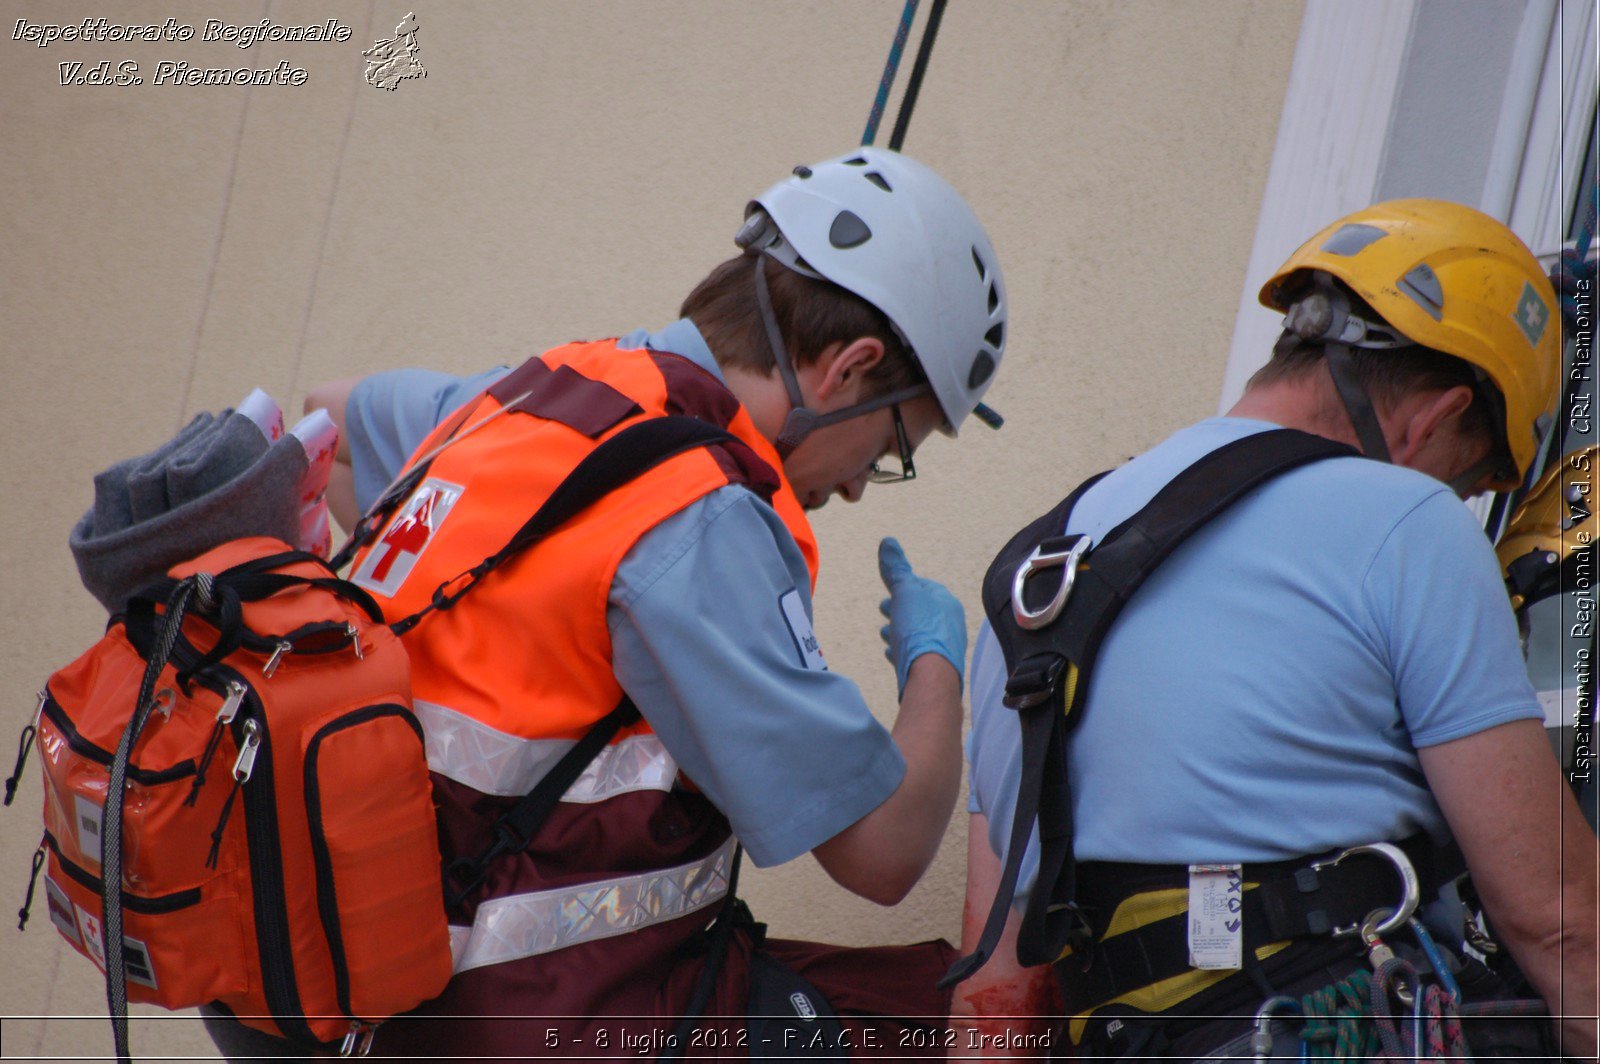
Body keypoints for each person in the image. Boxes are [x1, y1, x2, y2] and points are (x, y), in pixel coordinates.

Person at [209, 146, 1007, 1060]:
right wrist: (939, 666)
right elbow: (885, 854)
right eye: (895, 443)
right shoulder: (699, 515)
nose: (865, 486)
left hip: (322, 991)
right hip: (505, 1020)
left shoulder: (535, 396)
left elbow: (338, 423)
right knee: (966, 1029)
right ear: (848, 369)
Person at [952, 199, 1597, 1060]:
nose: (1461, 502)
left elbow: (992, 991)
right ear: (1435, 420)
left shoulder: (1033, 580)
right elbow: (1559, 923)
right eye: (1473, 478)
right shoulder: (1405, 522)